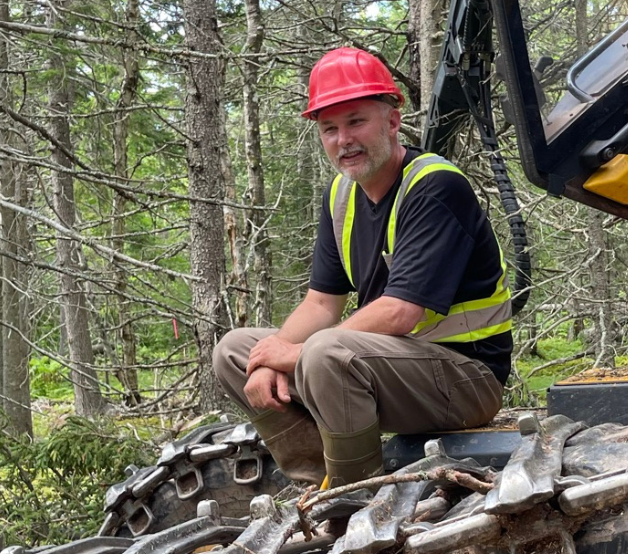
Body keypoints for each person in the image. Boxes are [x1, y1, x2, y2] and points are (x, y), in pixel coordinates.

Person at [213, 47, 514, 488]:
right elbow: (320, 304)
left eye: (356, 121)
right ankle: (317, 480)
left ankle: (353, 502)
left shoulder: (435, 187)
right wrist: (268, 357)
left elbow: (400, 311)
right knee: (236, 351)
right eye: (329, 128)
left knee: (324, 353)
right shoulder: (341, 197)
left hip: (467, 379)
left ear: (392, 121)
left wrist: (295, 354)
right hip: (395, 367)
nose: (343, 140)